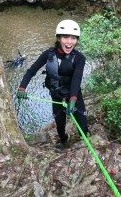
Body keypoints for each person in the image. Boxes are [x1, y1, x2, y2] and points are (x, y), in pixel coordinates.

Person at [16, 19, 90, 149]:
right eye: (65, 37)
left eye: (73, 38)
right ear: (58, 38)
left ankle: (84, 139)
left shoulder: (79, 58)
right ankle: (63, 141)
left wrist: (73, 99)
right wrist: (22, 87)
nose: (69, 42)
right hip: (56, 95)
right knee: (60, 123)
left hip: (74, 95)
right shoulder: (48, 54)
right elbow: (31, 70)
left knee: (82, 121)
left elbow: (76, 79)